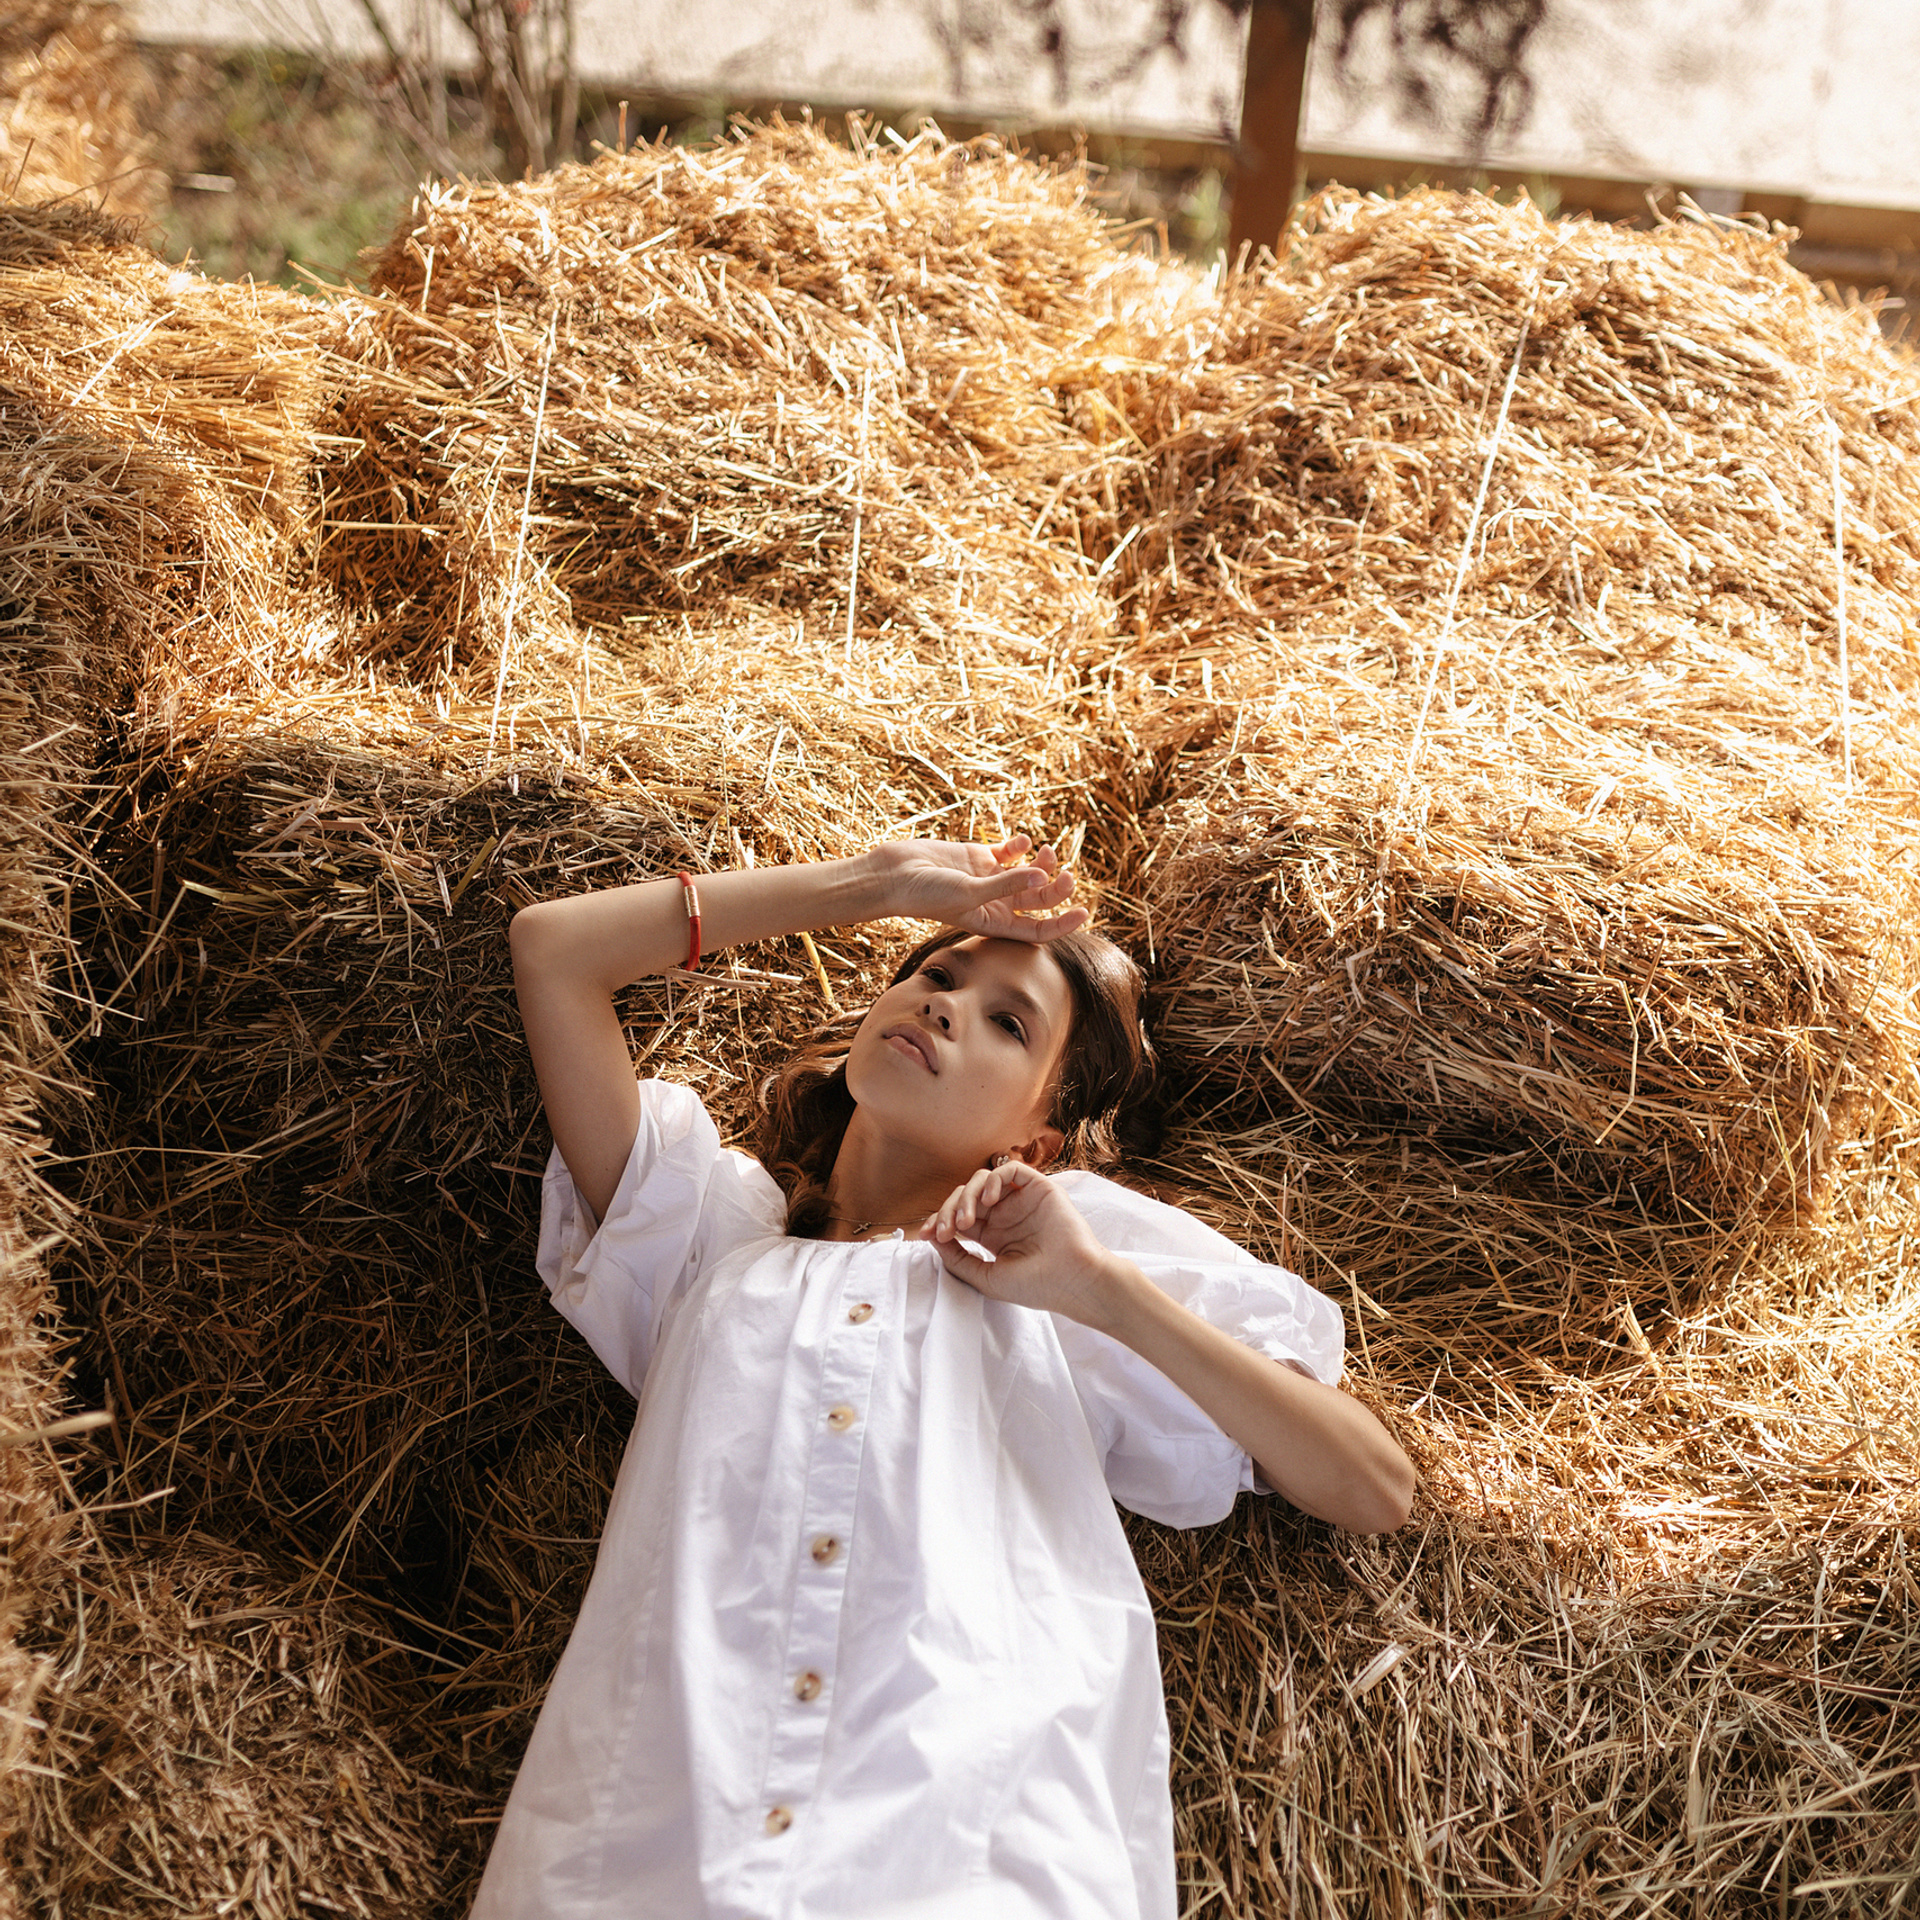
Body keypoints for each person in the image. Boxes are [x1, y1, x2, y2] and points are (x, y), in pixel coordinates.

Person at [476, 833, 1415, 1920]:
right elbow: (554, 949)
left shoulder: (1071, 1253)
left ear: (1040, 1139)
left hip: (968, 1839)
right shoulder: (706, 1232)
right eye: (936, 973)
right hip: (649, 1836)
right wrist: (881, 885)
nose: (946, 1005)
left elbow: (1372, 1484)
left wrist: (1098, 1289)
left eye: (1009, 1023)